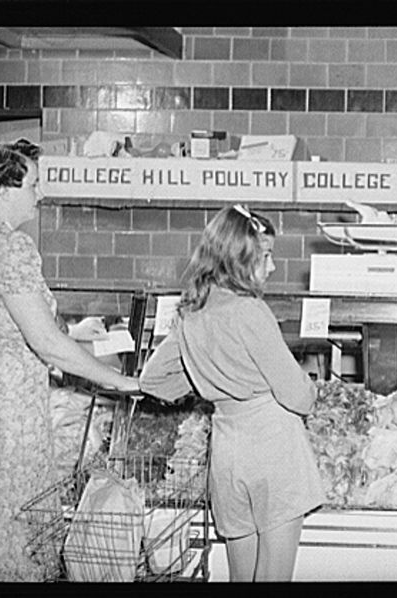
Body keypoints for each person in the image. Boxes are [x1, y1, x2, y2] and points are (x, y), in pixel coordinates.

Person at [139, 205, 325, 582]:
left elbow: (152, 381)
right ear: (240, 259)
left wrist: (210, 378)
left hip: (227, 452)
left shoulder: (190, 312)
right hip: (273, 450)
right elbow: (298, 397)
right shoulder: (250, 311)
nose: (271, 267)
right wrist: (309, 387)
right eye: (265, 256)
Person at [0, 140, 140, 581]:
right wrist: (119, 383)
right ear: (3, 188)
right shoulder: (10, 248)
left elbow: (7, 325)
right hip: (10, 413)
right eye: (34, 185)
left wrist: (73, 334)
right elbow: (46, 346)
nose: (40, 195)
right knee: (18, 534)